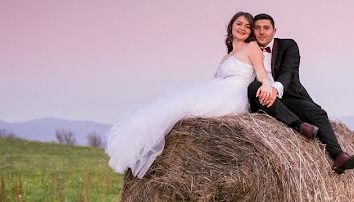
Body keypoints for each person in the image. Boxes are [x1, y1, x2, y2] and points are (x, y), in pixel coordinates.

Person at [106, 12, 274, 178]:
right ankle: (138, 149)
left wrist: (266, 85)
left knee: (184, 111)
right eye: (239, 24)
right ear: (231, 26)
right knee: (169, 109)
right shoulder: (225, 57)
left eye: (247, 26)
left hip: (235, 93)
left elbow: (260, 71)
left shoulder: (251, 48)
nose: (242, 28)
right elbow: (215, 80)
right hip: (218, 90)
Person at [247, 13, 354, 174]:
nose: (261, 32)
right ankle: (299, 125)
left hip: (287, 95)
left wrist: (274, 89)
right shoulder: (248, 49)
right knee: (254, 87)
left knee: (318, 113)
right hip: (260, 97)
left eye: (266, 28)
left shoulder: (288, 46)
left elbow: (288, 72)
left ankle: (339, 156)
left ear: (274, 30)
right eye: (257, 28)